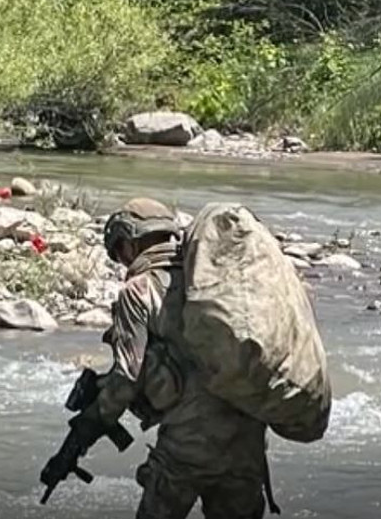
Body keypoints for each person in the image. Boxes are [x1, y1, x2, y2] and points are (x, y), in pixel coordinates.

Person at [71, 197, 275, 519]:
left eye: (120, 251)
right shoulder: (216, 283)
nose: (123, 261)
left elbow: (126, 378)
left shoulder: (138, 291)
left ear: (129, 243)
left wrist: (90, 423)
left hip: (187, 447)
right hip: (247, 440)